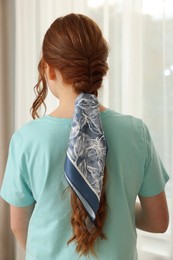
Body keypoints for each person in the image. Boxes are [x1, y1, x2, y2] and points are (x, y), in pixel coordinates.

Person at [0, 13, 169, 260]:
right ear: (101, 68)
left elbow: (18, 224)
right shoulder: (136, 133)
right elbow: (158, 221)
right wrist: (114, 203)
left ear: (49, 69)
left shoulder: (26, 140)